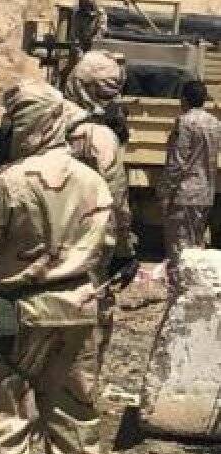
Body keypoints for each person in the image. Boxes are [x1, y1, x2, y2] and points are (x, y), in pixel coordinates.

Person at [0, 81, 113, 454]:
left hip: (18, 309)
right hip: (77, 307)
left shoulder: (10, 180)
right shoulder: (92, 180)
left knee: (4, 404)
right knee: (73, 409)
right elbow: (107, 243)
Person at [63, 49, 136, 362]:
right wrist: (124, 251)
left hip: (37, 239)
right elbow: (115, 200)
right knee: (85, 331)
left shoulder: (44, 119)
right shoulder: (101, 137)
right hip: (86, 243)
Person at [160, 77, 221, 286]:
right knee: (197, 246)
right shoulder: (215, 123)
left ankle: (181, 290)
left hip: (184, 193)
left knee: (179, 247)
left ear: (184, 99)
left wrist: (165, 192)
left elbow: (177, 162)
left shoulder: (184, 122)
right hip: (205, 193)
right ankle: (197, 288)